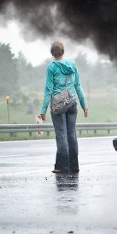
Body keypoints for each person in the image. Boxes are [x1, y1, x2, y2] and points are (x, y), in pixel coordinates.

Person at [39, 41, 88, 174]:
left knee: (61, 135)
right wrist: (84, 105)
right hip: (72, 103)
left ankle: (63, 166)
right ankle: (74, 166)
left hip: (58, 105)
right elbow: (78, 86)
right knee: (71, 135)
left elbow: (49, 90)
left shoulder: (51, 68)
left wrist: (42, 110)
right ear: (63, 52)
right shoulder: (72, 66)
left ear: (52, 53)